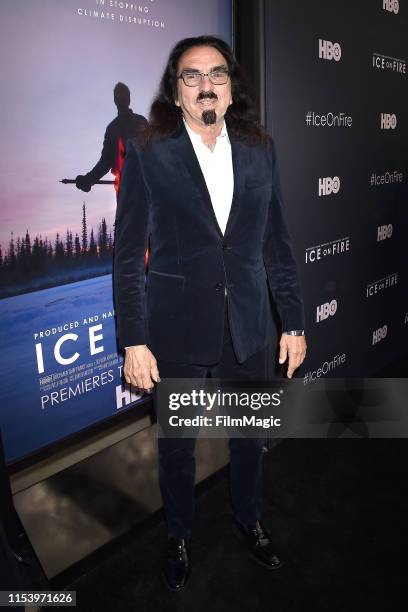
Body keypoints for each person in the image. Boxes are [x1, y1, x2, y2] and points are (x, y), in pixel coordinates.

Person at [114, 36, 307, 590]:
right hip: (173, 326)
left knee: (248, 437)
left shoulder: (259, 148)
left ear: (231, 87)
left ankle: (250, 519)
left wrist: (292, 321)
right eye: (192, 76)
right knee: (178, 445)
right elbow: (128, 254)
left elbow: (277, 243)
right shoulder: (150, 151)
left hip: (248, 323)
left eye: (217, 74)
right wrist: (133, 338)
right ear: (176, 92)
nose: (206, 84)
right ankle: (179, 533)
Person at [75, 82, 147, 193]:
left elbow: (153, 153)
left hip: (144, 187)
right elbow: (105, 161)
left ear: (129, 99)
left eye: (124, 96)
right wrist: (89, 179)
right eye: (118, 97)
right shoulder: (111, 129)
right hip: (124, 190)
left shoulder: (141, 122)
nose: (121, 99)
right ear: (115, 100)